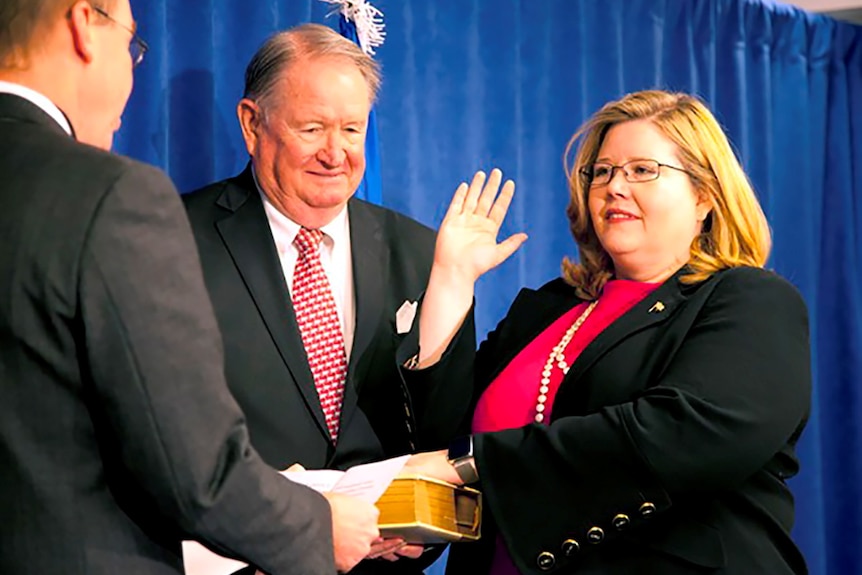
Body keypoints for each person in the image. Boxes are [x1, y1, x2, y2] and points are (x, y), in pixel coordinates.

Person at [0, 1, 381, 574]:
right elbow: (195, 473)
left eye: (351, 128)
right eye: (132, 46)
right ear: (83, 25)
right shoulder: (113, 199)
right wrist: (318, 523)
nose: (335, 151)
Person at [399, 89, 811, 574]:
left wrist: (478, 464)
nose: (615, 186)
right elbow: (435, 439)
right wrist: (451, 280)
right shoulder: (547, 308)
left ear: (704, 195)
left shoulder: (749, 300)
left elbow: (682, 436)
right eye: (603, 171)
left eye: (642, 170)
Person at [182, 24, 475, 571]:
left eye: (352, 129)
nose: (335, 153)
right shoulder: (174, 238)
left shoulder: (420, 253)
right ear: (252, 124)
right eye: (312, 128)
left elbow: (444, 434)